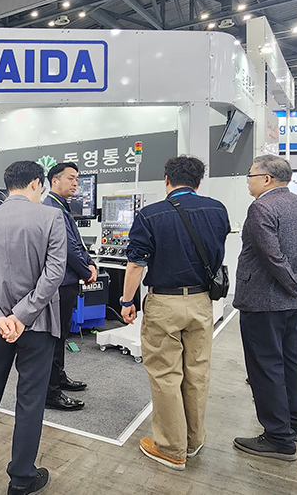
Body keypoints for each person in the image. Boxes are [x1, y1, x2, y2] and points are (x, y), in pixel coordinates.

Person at [0, 160, 67, 495]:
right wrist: (22, 315)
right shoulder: (51, 218)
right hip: (38, 324)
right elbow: (55, 272)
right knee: (30, 400)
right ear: (35, 183)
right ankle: (21, 478)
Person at [120, 156, 230, 470]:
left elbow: (136, 264)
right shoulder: (217, 210)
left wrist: (127, 302)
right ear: (198, 182)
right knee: (197, 372)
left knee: (165, 374)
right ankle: (193, 440)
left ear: (166, 179)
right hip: (202, 303)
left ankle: (171, 447)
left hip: (164, 304)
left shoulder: (150, 214)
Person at [233, 155, 297, 462]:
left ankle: (277, 437)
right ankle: (294, 423)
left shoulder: (261, 207)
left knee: (266, 367)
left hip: (263, 302)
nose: (248, 181)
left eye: (250, 176)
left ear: (266, 179)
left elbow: (271, 257)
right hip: (293, 303)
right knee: (290, 361)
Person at [43, 162, 97, 412]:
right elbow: (67, 248)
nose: (75, 183)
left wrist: (90, 263)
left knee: (62, 333)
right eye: (71, 178)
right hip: (59, 283)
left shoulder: (62, 206)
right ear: (54, 180)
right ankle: (51, 392)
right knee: (55, 336)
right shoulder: (51, 208)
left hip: (67, 281)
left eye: (77, 179)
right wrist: (87, 271)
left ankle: (59, 377)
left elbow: (77, 244)